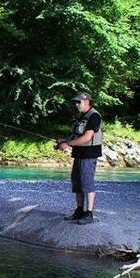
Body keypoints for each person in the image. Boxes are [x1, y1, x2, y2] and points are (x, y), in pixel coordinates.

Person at [56, 92, 102, 225]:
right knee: (77, 183)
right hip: (79, 153)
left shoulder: (94, 116)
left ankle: (89, 214)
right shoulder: (82, 117)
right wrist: (66, 140)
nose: (76, 104)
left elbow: (87, 137)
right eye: (75, 102)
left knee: (87, 183)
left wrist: (68, 144)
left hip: (89, 155)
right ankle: (79, 211)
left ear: (87, 102)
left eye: (78, 102)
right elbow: (78, 135)